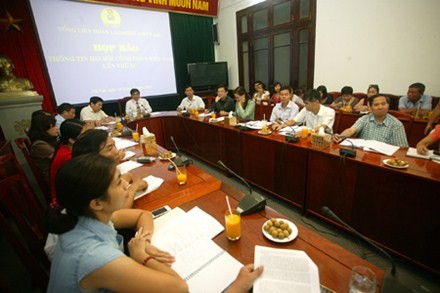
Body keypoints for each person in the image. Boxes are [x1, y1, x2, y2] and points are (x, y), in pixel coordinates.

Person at [46, 154, 263, 292]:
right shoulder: (96, 258)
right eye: (118, 182)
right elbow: (179, 288)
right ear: (96, 203)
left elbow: (143, 215)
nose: (126, 184)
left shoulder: (84, 215)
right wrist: (143, 256)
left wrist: (145, 240)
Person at [72, 129, 147, 208]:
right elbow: (119, 209)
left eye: (114, 145)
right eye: (109, 148)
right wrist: (134, 188)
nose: (116, 151)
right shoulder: (91, 180)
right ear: (92, 157)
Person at [333, 94, 409, 147]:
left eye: (383, 104)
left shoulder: (396, 124)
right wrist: (340, 136)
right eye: (376, 105)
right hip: (364, 155)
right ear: (371, 107)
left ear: (388, 105)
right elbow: (351, 130)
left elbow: (402, 148)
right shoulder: (364, 119)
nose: (380, 107)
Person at [49, 119, 87, 210]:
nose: (87, 137)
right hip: (67, 200)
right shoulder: (67, 156)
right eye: (83, 135)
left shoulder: (66, 148)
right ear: (71, 140)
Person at [27, 110, 58, 185]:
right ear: (44, 128)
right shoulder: (39, 145)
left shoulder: (46, 140)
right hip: (54, 178)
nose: (56, 128)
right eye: (53, 126)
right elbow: (59, 159)